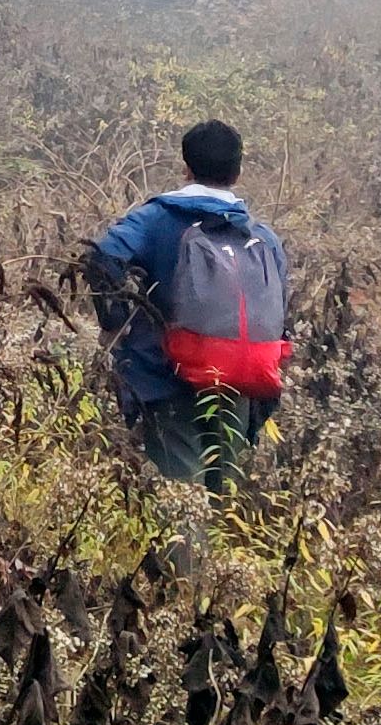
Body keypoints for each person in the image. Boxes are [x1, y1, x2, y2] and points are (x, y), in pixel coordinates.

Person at [88, 119, 289, 485]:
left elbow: (104, 255)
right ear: (237, 171)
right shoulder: (262, 237)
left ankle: (189, 545)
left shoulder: (157, 219)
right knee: (220, 495)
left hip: (168, 378)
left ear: (186, 167)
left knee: (183, 503)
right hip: (239, 379)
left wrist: (117, 323)